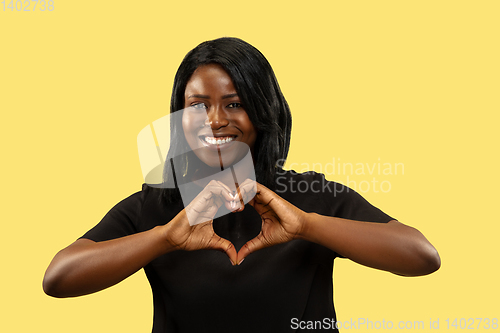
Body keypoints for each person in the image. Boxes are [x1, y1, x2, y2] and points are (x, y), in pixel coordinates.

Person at [43, 37, 440, 332]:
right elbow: (59, 277)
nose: (215, 120)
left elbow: (421, 255)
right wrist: (164, 238)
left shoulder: (309, 196)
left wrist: (307, 226)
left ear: (263, 111)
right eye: (197, 105)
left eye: (234, 104)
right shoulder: (156, 207)